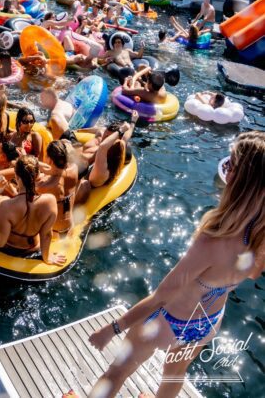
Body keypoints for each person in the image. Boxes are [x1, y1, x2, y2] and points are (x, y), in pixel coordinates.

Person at [89, 131, 265, 397]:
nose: (224, 167)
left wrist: (112, 329)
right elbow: (253, 273)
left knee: (116, 373)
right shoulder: (260, 236)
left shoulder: (212, 241)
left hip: (170, 320)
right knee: (174, 375)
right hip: (208, 321)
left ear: (240, 182)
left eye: (230, 163)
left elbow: (160, 297)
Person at [0, 155, 67, 265]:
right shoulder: (50, 201)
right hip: (32, 250)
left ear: (16, 176)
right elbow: (46, 235)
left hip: (8, 249)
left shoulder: (6, 205)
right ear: (38, 175)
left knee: (0, 202)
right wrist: (47, 258)